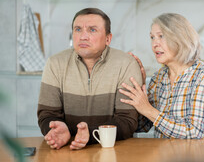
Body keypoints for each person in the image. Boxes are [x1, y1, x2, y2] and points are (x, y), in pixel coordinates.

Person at [37, 8, 143, 150]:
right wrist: (55, 129)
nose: (83, 36)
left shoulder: (127, 64)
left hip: (115, 150)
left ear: (108, 38)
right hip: (68, 149)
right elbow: (47, 114)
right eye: (78, 29)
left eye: (92, 30)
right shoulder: (55, 63)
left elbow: (127, 120)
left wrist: (91, 134)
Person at [120, 13, 204, 139]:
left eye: (161, 36)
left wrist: (148, 110)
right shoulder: (159, 77)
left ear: (180, 39)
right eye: (152, 37)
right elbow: (143, 126)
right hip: (165, 153)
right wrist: (139, 84)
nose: (154, 44)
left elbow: (196, 132)